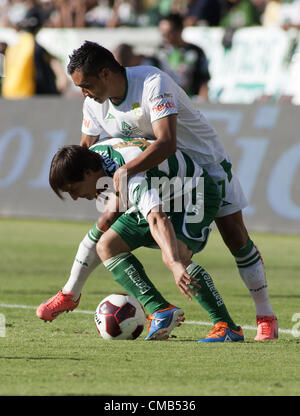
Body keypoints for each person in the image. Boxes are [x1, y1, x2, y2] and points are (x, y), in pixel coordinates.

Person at [65, 40, 277, 341]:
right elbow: (84, 155)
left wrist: (126, 171)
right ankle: (168, 311)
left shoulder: (153, 82)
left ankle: (265, 317)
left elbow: (167, 142)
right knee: (118, 244)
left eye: (86, 85)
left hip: (205, 168)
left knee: (236, 239)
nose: (84, 93)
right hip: (157, 177)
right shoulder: (93, 103)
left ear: (105, 74)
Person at [37, 138, 245, 343]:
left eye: (73, 189)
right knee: (107, 246)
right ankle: (161, 310)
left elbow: (157, 217)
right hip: (162, 194)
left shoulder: (130, 176)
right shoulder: (97, 156)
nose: (74, 197)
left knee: (176, 254)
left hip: (192, 193)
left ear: (88, 173)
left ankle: (226, 327)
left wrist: (174, 263)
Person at [1, 4, 68, 99]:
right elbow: (62, 78)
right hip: (37, 97)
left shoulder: (13, 47)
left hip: (11, 96)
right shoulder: (37, 47)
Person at [158, 13, 211, 100]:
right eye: (162, 33)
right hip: (167, 104)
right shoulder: (159, 53)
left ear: (179, 30)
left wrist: (203, 102)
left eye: (168, 33)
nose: (165, 37)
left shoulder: (195, 51)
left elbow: (204, 80)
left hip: (192, 103)